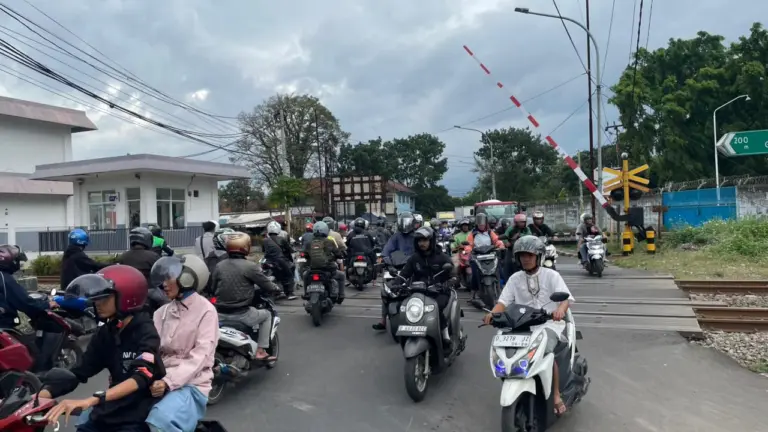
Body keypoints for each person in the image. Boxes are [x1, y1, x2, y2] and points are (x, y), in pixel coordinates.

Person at [39, 265, 164, 432]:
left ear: (126, 297)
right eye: (96, 299)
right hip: (107, 413)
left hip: (136, 418)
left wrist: (89, 401)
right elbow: (80, 370)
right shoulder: (107, 332)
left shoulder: (146, 332)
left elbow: (141, 376)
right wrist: (38, 397)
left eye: (104, 298)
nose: (98, 304)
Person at [483, 236, 574, 417]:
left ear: (538, 256)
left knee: (547, 352)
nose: (526, 259)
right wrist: (492, 314)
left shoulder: (551, 275)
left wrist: (560, 311)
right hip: (521, 325)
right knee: (505, 349)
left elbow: (565, 300)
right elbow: (503, 301)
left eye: (530, 255)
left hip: (549, 324)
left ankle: (556, 395)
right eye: (522, 255)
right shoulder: (515, 278)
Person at [146, 255, 218, 432]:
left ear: (187, 278)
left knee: (159, 421)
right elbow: (149, 347)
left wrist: (168, 381)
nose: (164, 284)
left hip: (192, 384)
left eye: (169, 278)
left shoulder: (206, 311)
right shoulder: (162, 312)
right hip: (159, 379)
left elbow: (200, 356)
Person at [211, 232, 280, 361]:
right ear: (246, 247)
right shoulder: (250, 266)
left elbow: (212, 287)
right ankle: (261, 350)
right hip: (242, 313)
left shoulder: (219, 266)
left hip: (219, 313)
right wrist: (276, 289)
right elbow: (267, 284)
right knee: (267, 315)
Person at [397, 227, 455, 349]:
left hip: (439, 291)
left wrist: (446, 284)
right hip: (419, 292)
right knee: (404, 306)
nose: (422, 243)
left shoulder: (441, 257)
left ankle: (445, 335)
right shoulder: (414, 258)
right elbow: (404, 274)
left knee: (436, 308)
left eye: (425, 240)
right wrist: (395, 283)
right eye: (419, 240)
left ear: (431, 241)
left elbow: (453, 276)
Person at [0, 245, 57, 329]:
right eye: (17, 261)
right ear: (8, 260)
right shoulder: (5, 278)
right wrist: (47, 305)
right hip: (3, 325)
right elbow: (23, 302)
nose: (18, 264)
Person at [303, 221, 346, 303]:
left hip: (312, 269)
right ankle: (341, 296)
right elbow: (337, 253)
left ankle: (306, 293)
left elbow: (305, 255)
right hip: (327, 268)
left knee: (305, 275)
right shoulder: (329, 241)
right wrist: (340, 255)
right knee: (341, 275)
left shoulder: (309, 243)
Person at [465, 214, 505, 297]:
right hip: (477, 256)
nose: (481, 226)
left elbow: (496, 240)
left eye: (483, 224)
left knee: (499, 269)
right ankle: (474, 292)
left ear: (486, 223)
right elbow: (469, 244)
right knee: (475, 273)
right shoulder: (472, 234)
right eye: (480, 224)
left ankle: (502, 286)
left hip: (490, 255)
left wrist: (500, 245)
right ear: (477, 224)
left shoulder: (490, 232)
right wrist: (468, 249)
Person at [262, 221, 297, 300]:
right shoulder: (282, 239)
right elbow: (289, 250)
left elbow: (263, 250)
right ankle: (290, 293)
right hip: (280, 260)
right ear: (278, 229)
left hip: (268, 261)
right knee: (290, 274)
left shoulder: (265, 240)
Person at [502, 214, 532, 279]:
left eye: (523, 222)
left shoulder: (527, 229)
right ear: (516, 222)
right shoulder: (510, 229)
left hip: (525, 249)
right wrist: (506, 242)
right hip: (512, 248)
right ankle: (507, 279)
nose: (522, 224)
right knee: (507, 263)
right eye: (520, 222)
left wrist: (520, 235)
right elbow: (505, 236)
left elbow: (530, 235)